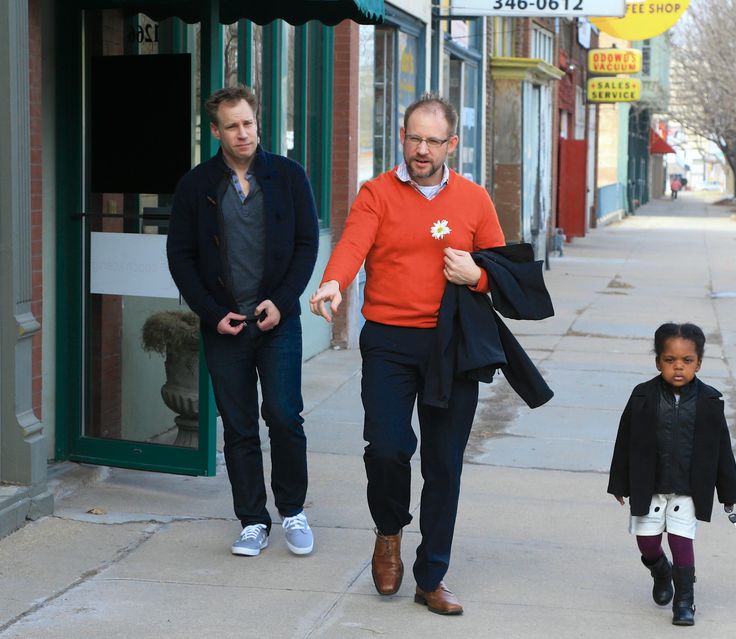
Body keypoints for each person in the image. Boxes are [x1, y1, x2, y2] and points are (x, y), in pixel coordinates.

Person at [309, 93, 506, 616]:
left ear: (452, 145)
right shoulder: (376, 193)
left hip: (452, 347)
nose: (421, 149)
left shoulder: (474, 199)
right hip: (390, 342)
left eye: (432, 140)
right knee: (388, 448)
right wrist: (334, 283)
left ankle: (432, 577)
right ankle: (389, 532)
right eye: (413, 137)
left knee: (444, 465)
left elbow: (504, 272)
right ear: (402, 137)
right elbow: (353, 244)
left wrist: (479, 275)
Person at [167, 86, 319, 558]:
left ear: (258, 123)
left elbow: (305, 245)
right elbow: (181, 257)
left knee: (284, 417)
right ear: (215, 131)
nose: (243, 132)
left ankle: (292, 510)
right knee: (238, 427)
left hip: (277, 322)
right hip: (225, 326)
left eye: (248, 122)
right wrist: (212, 315)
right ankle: (253, 520)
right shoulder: (196, 185)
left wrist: (282, 299)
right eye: (232, 125)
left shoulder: (289, 177)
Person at [607, 322, 736, 626]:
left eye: (687, 361)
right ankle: (660, 570)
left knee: (682, 542)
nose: (678, 367)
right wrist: (619, 481)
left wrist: (729, 493)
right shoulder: (642, 396)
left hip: (687, 488)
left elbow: (722, 449)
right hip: (650, 485)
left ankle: (684, 601)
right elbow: (625, 440)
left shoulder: (710, 401)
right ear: (658, 361)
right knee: (647, 542)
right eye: (670, 360)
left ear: (699, 363)